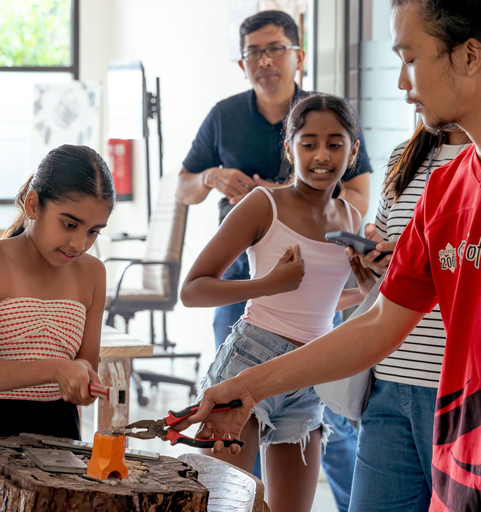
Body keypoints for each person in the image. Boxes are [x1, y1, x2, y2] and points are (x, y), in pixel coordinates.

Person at [182, 2, 481, 510]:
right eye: (308, 143)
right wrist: (246, 385)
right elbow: (379, 320)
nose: (403, 85)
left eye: (409, 58)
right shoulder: (443, 188)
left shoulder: (350, 213)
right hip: (446, 428)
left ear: (470, 56)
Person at [177, 13, 366, 509]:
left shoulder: (351, 217)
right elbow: (192, 288)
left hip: (311, 371)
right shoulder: (264, 205)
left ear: (354, 151)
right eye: (308, 143)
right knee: (229, 504)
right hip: (250, 359)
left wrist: (367, 291)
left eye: (334, 143)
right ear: (290, 147)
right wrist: (267, 285)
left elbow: (320, 299)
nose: (321, 155)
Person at [0, 144, 114, 445]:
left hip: (60, 430)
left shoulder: (93, 273)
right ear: (33, 205)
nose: (79, 243)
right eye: (69, 224)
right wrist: (57, 369)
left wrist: (85, 382)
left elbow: (86, 364)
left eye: (93, 231)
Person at [347, 122, 471, 512]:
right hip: (390, 383)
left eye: (413, 61)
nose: (405, 84)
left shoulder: (471, 170)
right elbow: (390, 283)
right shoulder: (405, 156)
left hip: (456, 394)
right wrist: (374, 261)